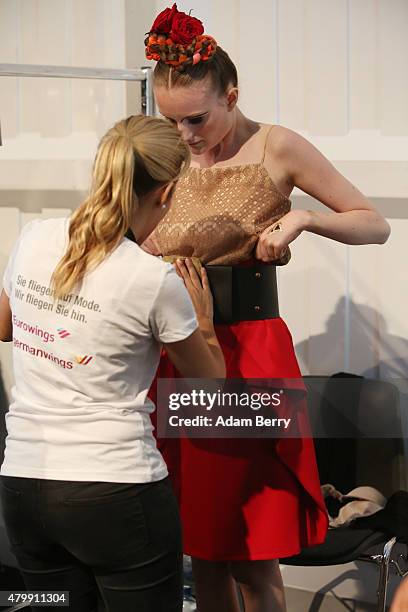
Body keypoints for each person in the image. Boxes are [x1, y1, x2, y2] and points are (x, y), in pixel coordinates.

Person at [142, 5, 391, 612]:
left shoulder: (274, 145)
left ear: (232, 94)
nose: (187, 135)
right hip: (179, 350)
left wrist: (303, 217)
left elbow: (375, 225)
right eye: (173, 121)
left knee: (250, 542)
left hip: (246, 353)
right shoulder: (167, 154)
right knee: (202, 544)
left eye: (198, 118)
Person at [0, 114, 225, 612]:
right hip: (116, 492)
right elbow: (208, 383)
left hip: (24, 485)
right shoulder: (152, 279)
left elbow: (5, 326)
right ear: (166, 193)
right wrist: (204, 322)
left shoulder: (34, 237)